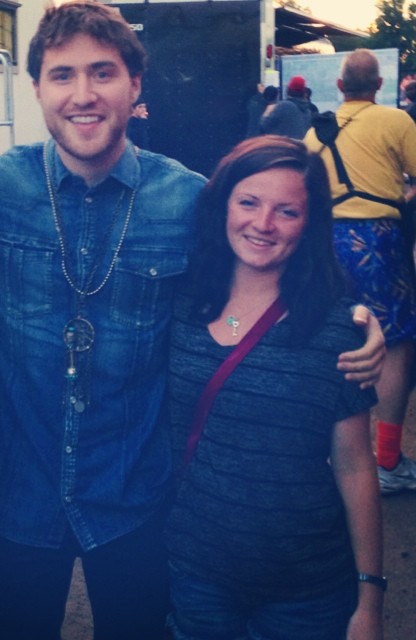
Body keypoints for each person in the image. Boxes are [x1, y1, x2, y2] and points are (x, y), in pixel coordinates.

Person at [0, 3, 385, 638]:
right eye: (62, 75)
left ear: (135, 86)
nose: (83, 94)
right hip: (18, 496)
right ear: (37, 87)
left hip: (135, 498)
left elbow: (266, 255)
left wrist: (352, 316)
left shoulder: (187, 198)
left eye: (102, 73)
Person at [166, 135, 383, 640]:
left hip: (307, 592)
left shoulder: (335, 329)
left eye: (286, 211)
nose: (262, 225)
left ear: (309, 225)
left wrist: (370, 600)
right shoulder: (179, 303)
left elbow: (354, 466)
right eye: (248, 203)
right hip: (196, 577)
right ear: (223, 206)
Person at [305, 48, 416, 495]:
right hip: (378, 242)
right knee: (394, 342)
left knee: (331, 336)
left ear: (338, 86)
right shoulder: (396, 123)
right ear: (377, 85)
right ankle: (387, 460)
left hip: (323, 243)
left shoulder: (313, 134)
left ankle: (328, 454)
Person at [260, 75, 313, 139]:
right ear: (304, 92)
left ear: (288, 90)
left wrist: (267, 112)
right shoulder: (308, 112)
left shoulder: (284, 106)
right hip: (299, 147)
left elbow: (264, 125)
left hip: (282, 147)